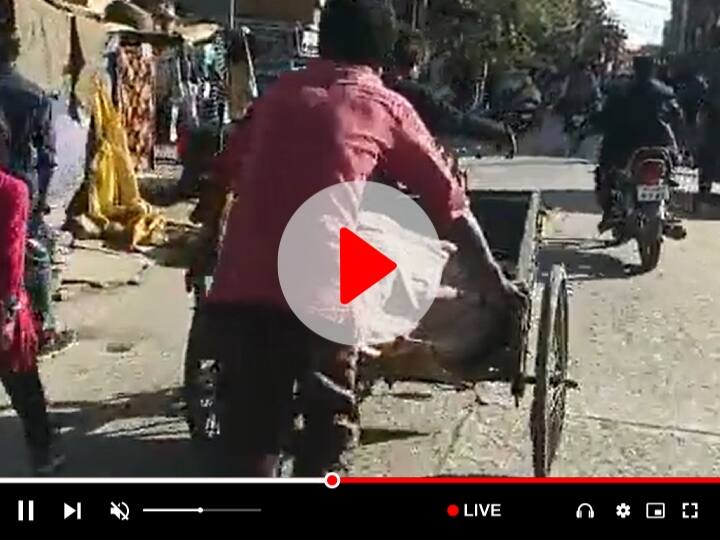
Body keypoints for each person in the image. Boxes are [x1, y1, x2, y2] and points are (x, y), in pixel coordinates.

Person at [201, 0, 527, 477]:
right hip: (318, 298)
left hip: (241, 288)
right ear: (386, 51)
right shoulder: (384, 105)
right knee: (326, 433)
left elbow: (223, 173)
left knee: (250, 437)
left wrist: (203, 246)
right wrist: (494, 284)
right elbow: (450, 206)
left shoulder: (277, 96)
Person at [0, 110, 64, 476]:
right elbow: (11, 254)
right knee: (24, 384)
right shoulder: (13, 191)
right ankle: (42, 455)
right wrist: (8, 308)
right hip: (4, 303)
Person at [0, 31, 71, 355]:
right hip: (19, 185)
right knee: (36, 254)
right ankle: (42, 329)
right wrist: (40, 200)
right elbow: (47, 156)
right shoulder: (34, 95)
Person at [383, 30, 517, 156]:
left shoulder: (372, 84)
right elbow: (456, 120)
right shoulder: (413, 94)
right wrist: (499, 131)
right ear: (415, 65)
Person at [592, 55, 682, 230]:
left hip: (624, 147)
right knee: (670, 174)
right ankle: (666, 209)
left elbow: (604, 116)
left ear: (634, 68)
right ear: (653, 69)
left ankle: (611, 211)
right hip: (661, 146)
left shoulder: (621, 91)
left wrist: (595, 123)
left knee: (605, 173)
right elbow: (677, 117)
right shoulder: (665, 92)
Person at [557, 58, 602, 126]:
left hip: (571, 104)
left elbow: (563, 90)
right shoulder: (590, 76)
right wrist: (598, 99)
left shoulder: (570, 76)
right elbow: (595, 89)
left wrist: (560, 98)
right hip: (584, 104)